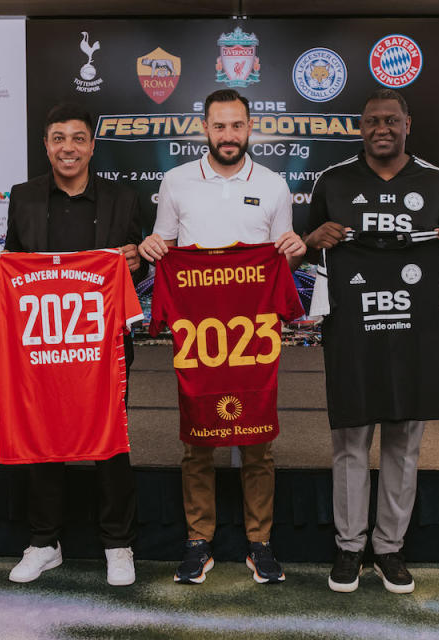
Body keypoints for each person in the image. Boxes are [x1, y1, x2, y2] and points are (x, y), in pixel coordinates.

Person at [303, 88, 439, 594]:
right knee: (351, 441)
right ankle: (349, 546)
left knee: (404, 441)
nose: (382, 129)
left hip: (414, 331)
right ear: (361, 127)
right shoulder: (332, 182)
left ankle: (390, 548)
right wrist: (315, 240)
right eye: (373, 121)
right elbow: (305, 251)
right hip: (354, 330)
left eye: (391, 121)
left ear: (408, 123)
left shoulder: (437, 182)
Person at [138, 88, 306, 584]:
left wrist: (294, 251)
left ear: (250, 129)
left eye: (236, 126)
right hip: (199, 328)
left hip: (252, 331)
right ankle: (198, 541)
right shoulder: (176, 182)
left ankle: (260, 542)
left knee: (258, 442)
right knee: (197, 439)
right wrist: (152, 245)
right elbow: (164, 248)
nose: (228, 135)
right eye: (219, 126)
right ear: (205, 129)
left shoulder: (275, 185)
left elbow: (283, 259)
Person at [1, 103, 144, 587]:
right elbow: (13, 268)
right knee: (43, 438)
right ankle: (44, 542)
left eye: (78, 138)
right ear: (46, 144)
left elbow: (138, 264)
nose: (68, 147)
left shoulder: (123, 199)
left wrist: (134, 260)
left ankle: (117, 544)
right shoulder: (22, 198)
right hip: (42, 342)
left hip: (104, 347)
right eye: (58, 137)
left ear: (91, 145)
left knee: (110, 441)